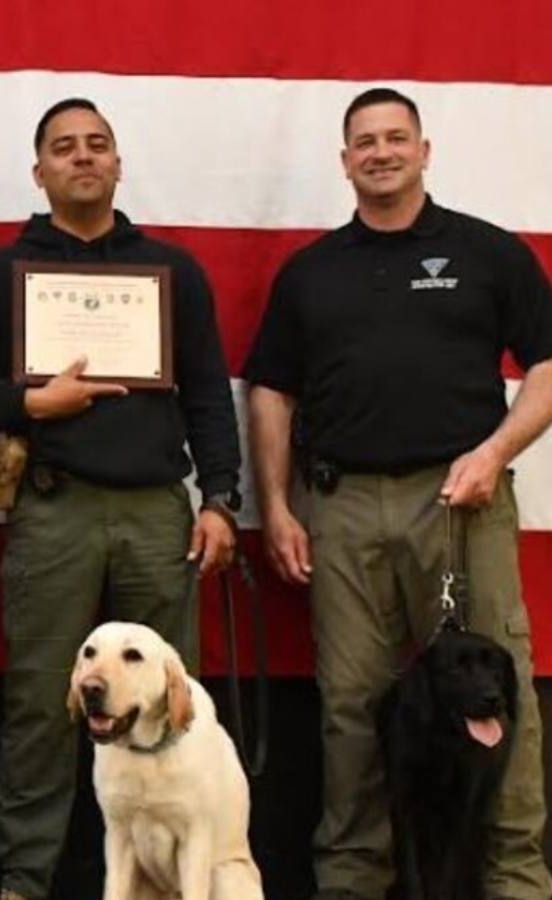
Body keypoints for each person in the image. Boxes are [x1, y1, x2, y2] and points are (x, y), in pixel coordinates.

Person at [0, 97, 241, 900]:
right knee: (43, 704)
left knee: (171, 707)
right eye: (64, 147)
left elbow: (208, 390)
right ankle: (24, 880)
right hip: (53, 508)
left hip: (155, 511)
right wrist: (28, 404)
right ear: (39, 172)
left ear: (118, 164)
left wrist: (220, 498)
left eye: (97, 145)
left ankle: (181, 884)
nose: (83, 157)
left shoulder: (172, 271)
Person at [245, 87, 552, 900]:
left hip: (462, 500)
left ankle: (516, 879)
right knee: (351, 705)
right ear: (344, 161)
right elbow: (271, 389)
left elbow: (548, 369)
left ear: (424, 150)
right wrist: (275, 507)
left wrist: (495, 452)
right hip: (341, 509)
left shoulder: (489, 254)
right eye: (364, 142)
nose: (380, 152)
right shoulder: (311, 273)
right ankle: (354, 879)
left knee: (497, 700)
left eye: (395, 138)